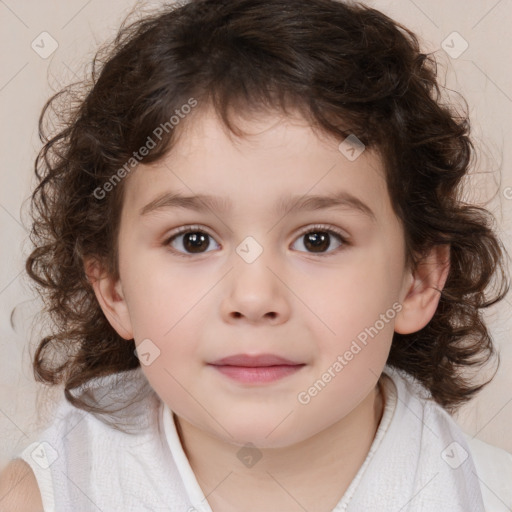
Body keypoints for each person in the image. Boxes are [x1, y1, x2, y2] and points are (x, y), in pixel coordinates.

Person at [1, 0, 511, 510]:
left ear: (417, 280)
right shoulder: (39, 497)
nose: (253, 297)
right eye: (193, 240)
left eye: (318, 240)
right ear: (113, 288)